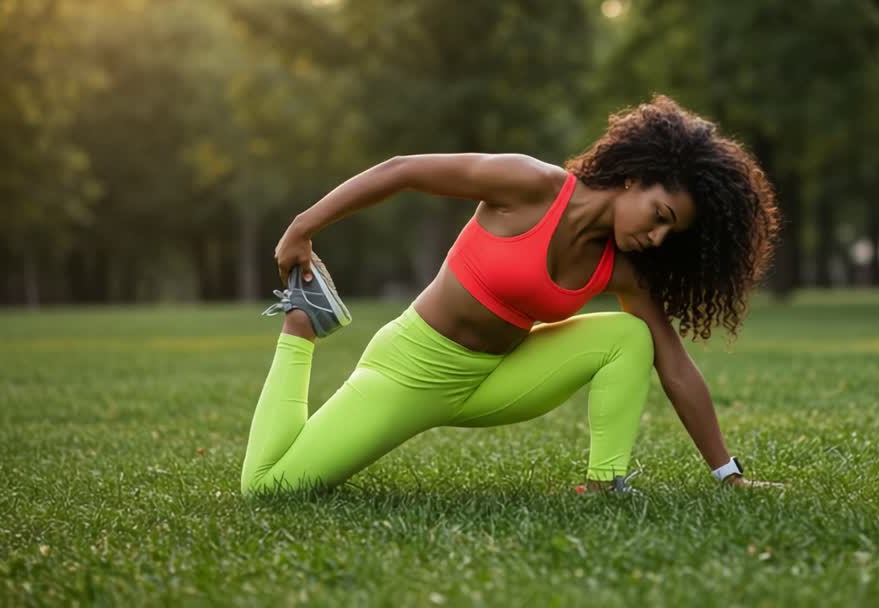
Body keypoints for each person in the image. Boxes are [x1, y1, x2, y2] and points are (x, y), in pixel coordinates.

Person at [240, 96, 784, 497]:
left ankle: (604, 485)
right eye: (660, 216)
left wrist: (728, 475)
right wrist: (302, 227)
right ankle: (302, 325)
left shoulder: (621, 267)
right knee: (269, 489)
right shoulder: (529, 185)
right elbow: (402, 172)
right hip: (411, 370)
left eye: (672, 233)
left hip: (498, 378)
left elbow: (675, 364)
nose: (658, 237)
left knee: (632, 334)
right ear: (633, 179)